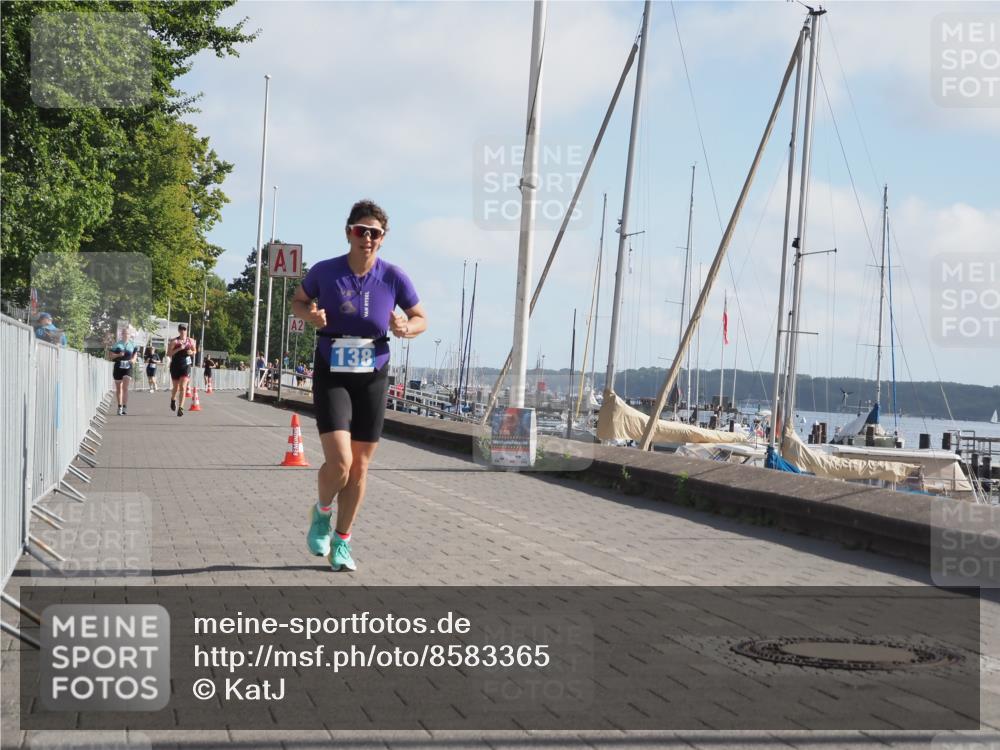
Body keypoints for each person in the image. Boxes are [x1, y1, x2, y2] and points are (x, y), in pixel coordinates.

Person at [292, 199, 426, 572]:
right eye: (360, 231)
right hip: (332, 369)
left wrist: (407, 328)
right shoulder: (326, 271)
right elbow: (298, 301)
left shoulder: (393, 276)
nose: (367, 238)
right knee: (341, 462)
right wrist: (311, 316)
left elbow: (420, 317)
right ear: (348, 232)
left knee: (360, 467)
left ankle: (342, 542)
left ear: (383, 238)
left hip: (373, 373)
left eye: (374, 233)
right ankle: (321, 514)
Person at [167, 323, 197, 417]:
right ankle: (173, 399)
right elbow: (169, 354)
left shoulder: (191, 341)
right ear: (179, 330)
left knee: (183, 387)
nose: (183, 331)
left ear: (187, 330)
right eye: (181, 329)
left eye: (185, 329)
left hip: (186, 366)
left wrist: (192, 352)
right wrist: (179, 348)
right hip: (175, 366)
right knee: (176, 388)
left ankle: (180, 408)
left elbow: (195, 351)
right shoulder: (174, 341)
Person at [109, 334, 138, 415]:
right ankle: (119, 406)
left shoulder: (133, 344)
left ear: (129, 335)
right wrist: (118, 355)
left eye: (127, 333)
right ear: (122, 335)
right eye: (124, 333)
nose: (125, 335)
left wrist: (133, 360)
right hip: (118, 367)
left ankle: (124, 407)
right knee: (119, 388)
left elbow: (135, 356)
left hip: (128, 367)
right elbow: (110, 356)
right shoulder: (117, 344)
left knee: (125, 387)